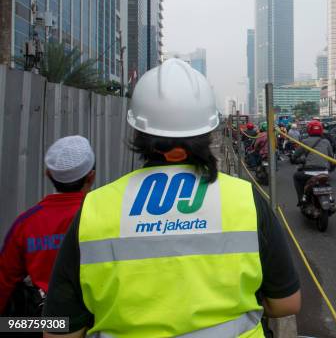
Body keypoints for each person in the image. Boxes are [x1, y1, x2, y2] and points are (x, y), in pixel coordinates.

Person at [43, 59, 300, 337]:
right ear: (208, 130)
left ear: (139, 131)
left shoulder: (95, 209)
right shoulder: (244, 199)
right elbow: (287, 302)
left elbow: (59, 330)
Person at [0, 136, 95, 315]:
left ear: (48, 174)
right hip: (95, 320)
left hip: (46, 322)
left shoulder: (25, 224)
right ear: (91, 176)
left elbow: (4, 281)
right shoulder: (103, 215)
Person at [292, 120, 333, 206]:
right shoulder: (326, 142)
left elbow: (296, 155)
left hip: (309, 172)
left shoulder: (305, 141)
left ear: (308, 130)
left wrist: (294, 159)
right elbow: (331, 157)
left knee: (296, 176)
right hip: (324, 172)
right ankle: (330, 198)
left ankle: (301, 199)